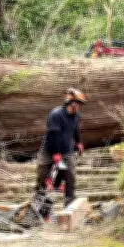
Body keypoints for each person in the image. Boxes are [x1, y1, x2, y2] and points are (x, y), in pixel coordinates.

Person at [34, 88, 87, 218]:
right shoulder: (56, 115)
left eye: (80, 104)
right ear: (70, 102)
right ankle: (40, 211)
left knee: (70, 178)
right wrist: (56, 154)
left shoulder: (76, 116)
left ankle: (69, 210)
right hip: (49, 151)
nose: (79, 106)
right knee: (42, 177)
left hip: (66, 153)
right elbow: (53, 136)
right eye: (77, 103)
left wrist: (79, 142)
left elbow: (75, 130)